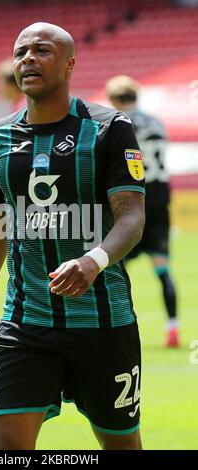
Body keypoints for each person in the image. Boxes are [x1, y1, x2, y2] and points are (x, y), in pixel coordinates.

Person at [0, 23, 145, 450]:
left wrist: (93, 260)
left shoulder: (109, 128)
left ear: (70, 64)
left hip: (104, 324)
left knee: (121, 445)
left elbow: (132, 217)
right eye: (20, 51)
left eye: (41, 50)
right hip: (24, 323)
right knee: (7, 446)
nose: (27, 59)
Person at [105, 75, 179, 348]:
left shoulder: (120, 124)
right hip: (161, 201)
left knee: (115, 268)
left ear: (114, 99)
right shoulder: (157, 122)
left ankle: (116, 327)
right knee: (163, 270)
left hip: (134, 201)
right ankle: (173, 328)